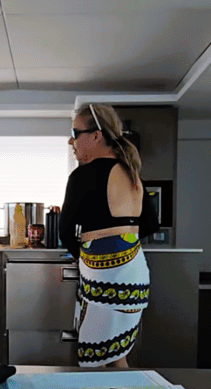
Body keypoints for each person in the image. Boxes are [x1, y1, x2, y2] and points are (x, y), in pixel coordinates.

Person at [60, 103, 158, 368]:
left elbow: (65, 232)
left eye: (75, 132)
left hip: (103, 276)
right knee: (116, 356)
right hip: (134, 273)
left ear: (96, 135)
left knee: (94, 359)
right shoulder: (131, 172)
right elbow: (150, 224)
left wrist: (89, 253)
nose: (71, 140)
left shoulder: (82, 176)